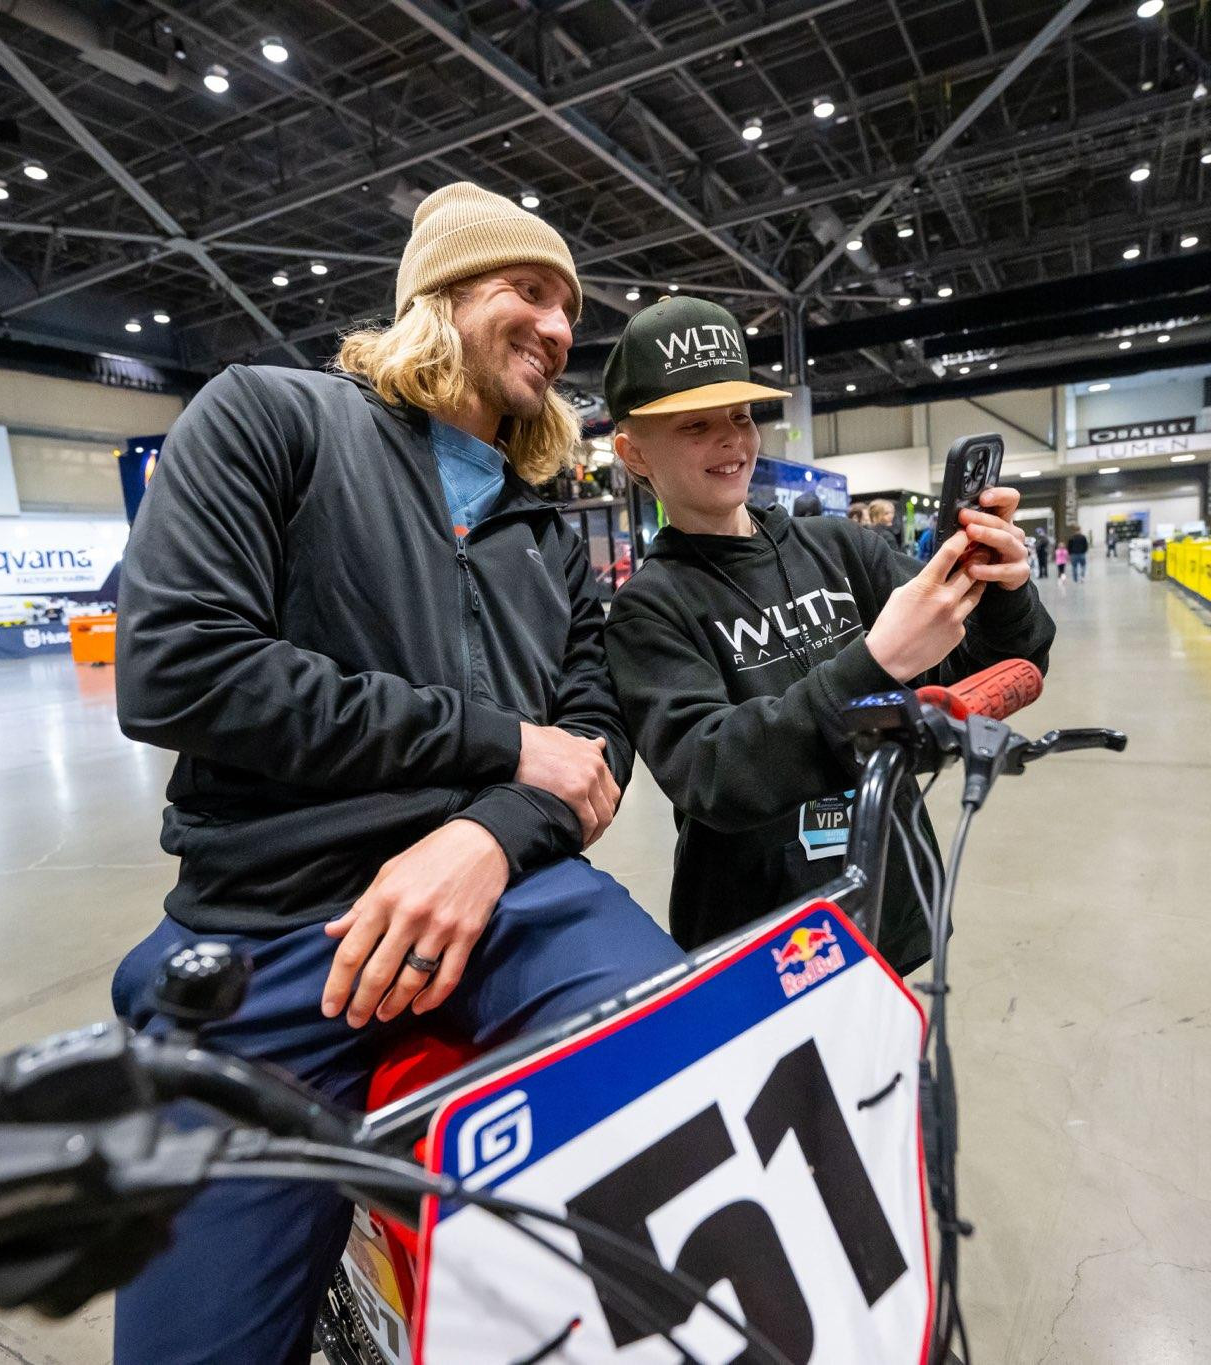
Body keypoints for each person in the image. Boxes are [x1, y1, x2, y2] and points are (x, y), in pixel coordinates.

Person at [107, 182, 685, 1364]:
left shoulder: (549, 534)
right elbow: (175, 672)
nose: (561, 327)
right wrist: (494, 743)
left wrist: (482, 837)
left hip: (517, 902)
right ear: (439, 297)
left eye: (570, 307)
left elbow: (591, 746)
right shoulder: (271, 418)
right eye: (529, 291)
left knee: (682, 1103)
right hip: (277, 927)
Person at [601, 296, 1054, 970]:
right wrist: (876, 661)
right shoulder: (648, 609)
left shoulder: (844, 549)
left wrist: (1002, 590)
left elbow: (994, 662)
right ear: (633, 452)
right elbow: (716, 773)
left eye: (742, 416)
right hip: (765, 935)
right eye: (696, 425)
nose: (732, 440)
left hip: (890, 894)